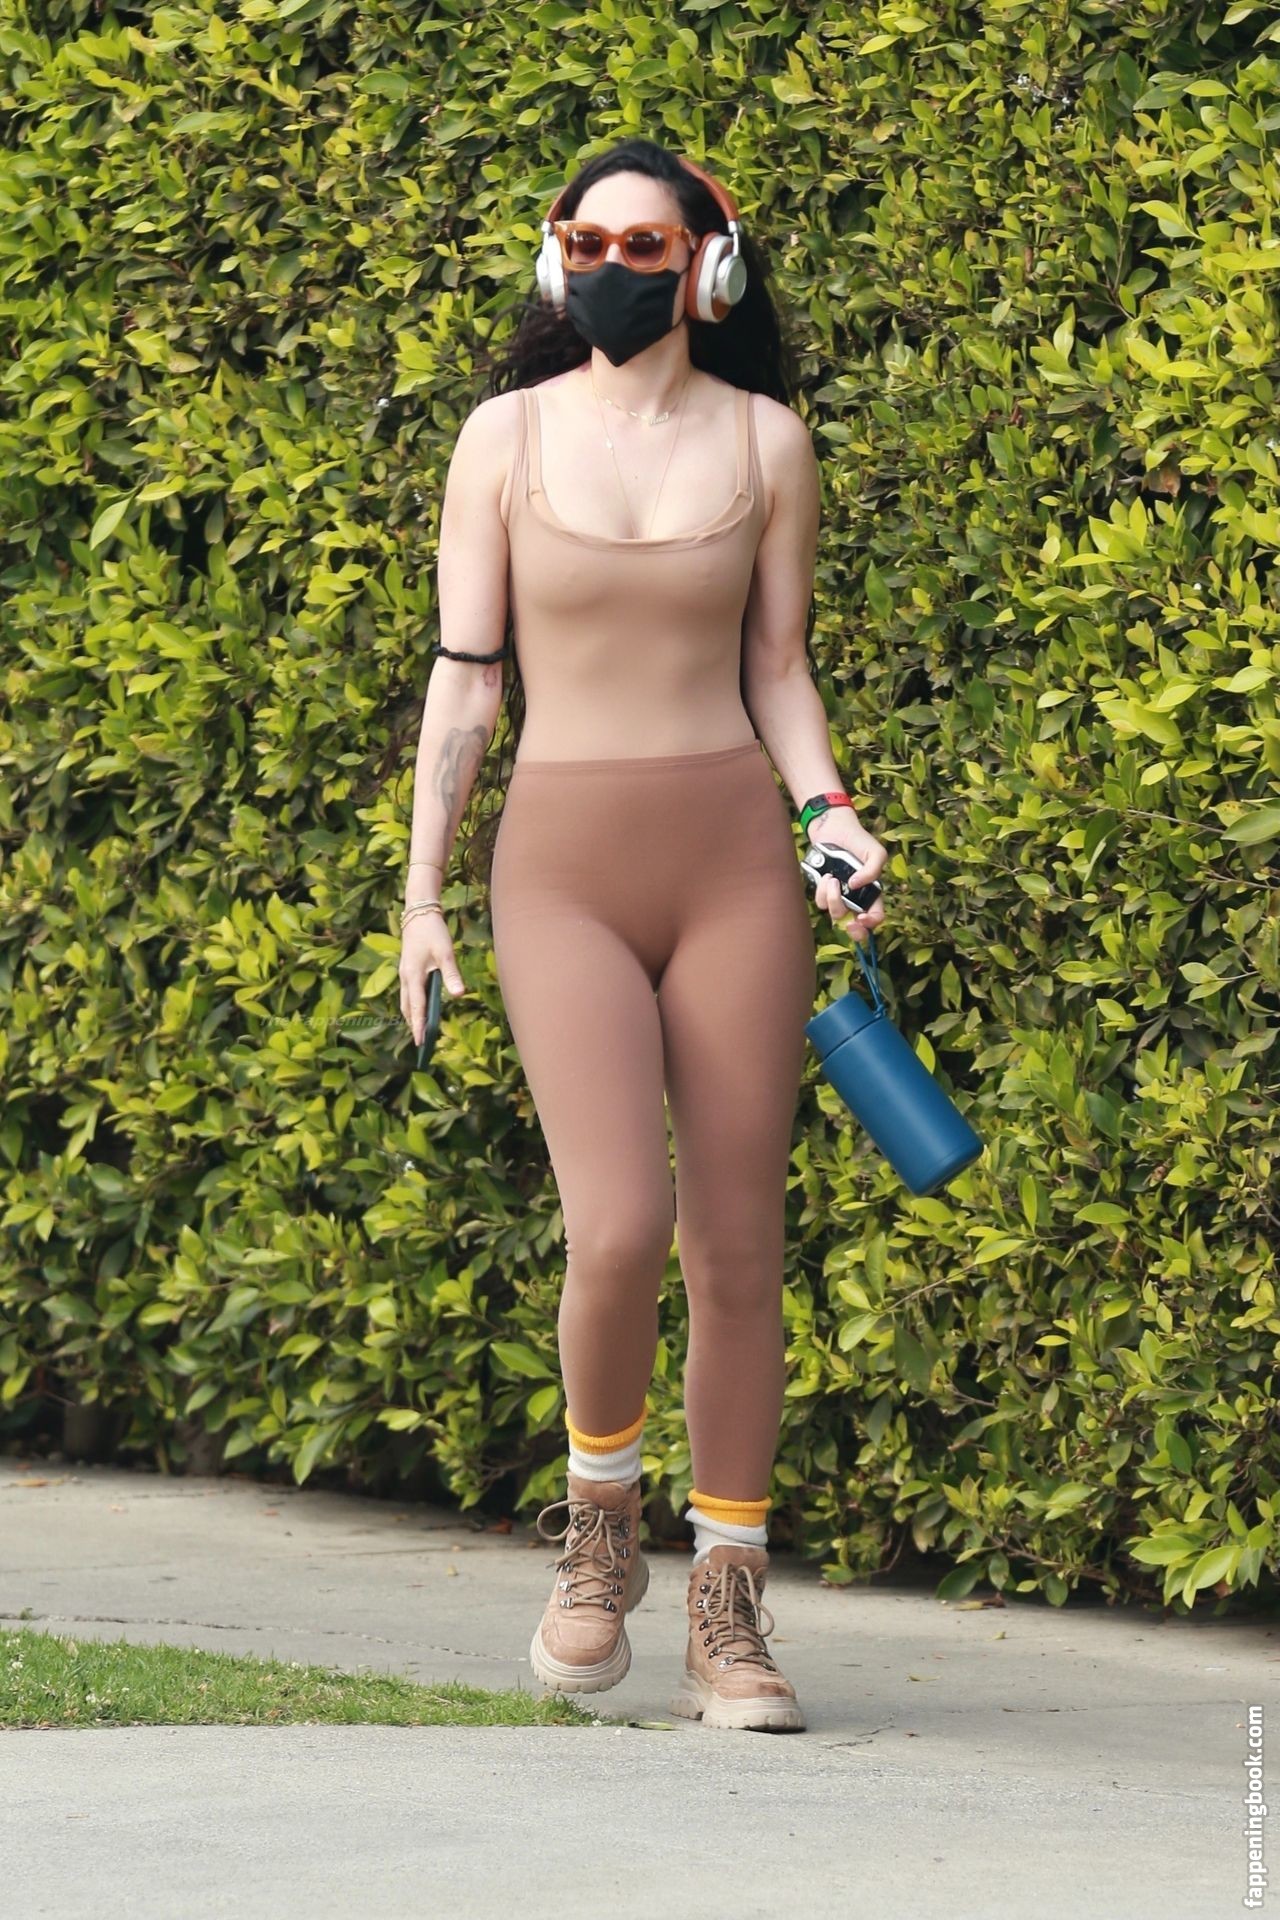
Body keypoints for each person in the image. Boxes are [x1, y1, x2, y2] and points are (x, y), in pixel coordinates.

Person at [398, 138, 887, 1733]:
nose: (613, 267)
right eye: (588, 240)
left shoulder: (767, 443)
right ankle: (598, 1533)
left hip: (734, 864)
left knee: (736, 1246)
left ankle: (729, 1606)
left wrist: (830, 818)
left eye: (647, 244)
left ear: (708, 267)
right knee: (616, 1226)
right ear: (559, 258)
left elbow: (780, 671)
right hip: (562, 869)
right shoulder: (503, 437)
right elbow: (468, 682)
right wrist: (422, 896)